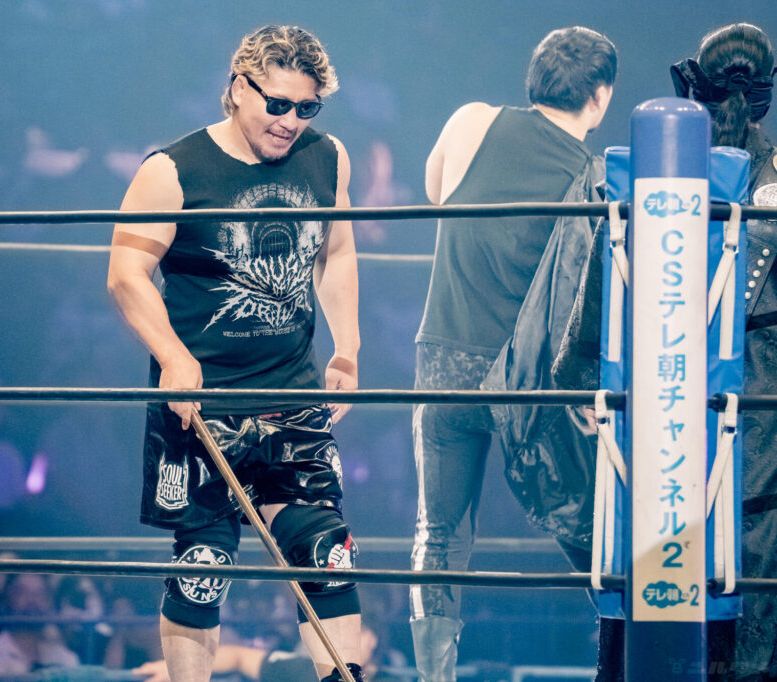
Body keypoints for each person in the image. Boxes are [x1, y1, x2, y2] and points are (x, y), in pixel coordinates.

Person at [107, 24, 363, 682]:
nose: (290, 122)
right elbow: (126, 272)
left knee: (325, 549)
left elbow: (336, 248)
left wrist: (348, 347)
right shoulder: (172, 170)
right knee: (203, 565)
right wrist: (173, 357)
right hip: (203, 399)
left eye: (306, 108)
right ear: (238, 87)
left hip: (291, 391)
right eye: (277, 104)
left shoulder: (327, 157)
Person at [556, 22, 777, 682]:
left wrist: (584, 376)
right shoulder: (658, 173)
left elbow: (599, 306)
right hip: (748, 426)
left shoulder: (646, 176)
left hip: (672, 418)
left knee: (658, 552)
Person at [411, 26, 617, 681]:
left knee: (439, 534)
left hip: (444, 361)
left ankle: (433, 676)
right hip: (528, 378)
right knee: (588, 519)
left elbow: (438, 194)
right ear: (600, 96)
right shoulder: (593, 178)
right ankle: (626, 652)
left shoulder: (471, 120)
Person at [134, 623, 404, 681]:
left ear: (372, 639)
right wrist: (181, 669)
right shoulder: (306, 671)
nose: (343, 642)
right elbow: (239, 656)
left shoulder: (395, 680)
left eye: (355, 631)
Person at [0, 573, 80, 674]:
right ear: (8, 599)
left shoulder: (66, 658)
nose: (32, 601)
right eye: (23, 593)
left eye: (40, 594)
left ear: (49, 602)